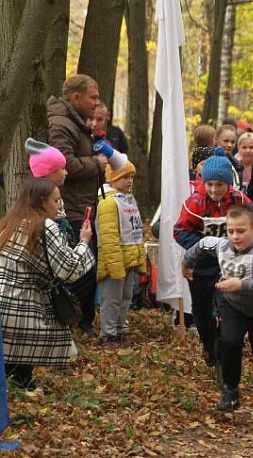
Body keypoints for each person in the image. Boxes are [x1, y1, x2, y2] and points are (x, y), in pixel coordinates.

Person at [181, 205, 253, 415]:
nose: (235, 237)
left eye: (241, 231)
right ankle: (230, 391)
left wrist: (242, 284)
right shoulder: (221, 246)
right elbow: (201, 244)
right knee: (229, 342)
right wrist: (186, 264)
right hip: (232, 305)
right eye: (231, 231)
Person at [174, 150, 253, 372]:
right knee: (201, 314)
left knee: (226, 313)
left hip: (233, 267)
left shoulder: (239, 200)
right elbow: (179, 231)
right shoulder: (195, 202)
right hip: (202, 267)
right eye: (210, 184)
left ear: (228, 183)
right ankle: (208, 344)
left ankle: (222, 355)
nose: (215, 189)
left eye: (220, 184)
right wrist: (206, 247)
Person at [0, 178, 95, 390]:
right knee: (36, 340)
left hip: (3, 302)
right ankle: (20, 384)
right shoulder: (44, 226)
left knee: (10, 354)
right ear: (42, 201)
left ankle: (17, 384)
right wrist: (84, 242)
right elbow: (69, 269)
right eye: (56, 201)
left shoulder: (10, 222)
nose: (60, 206)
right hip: (22, 306)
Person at [47, 74, 104, 336]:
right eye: (93, 97)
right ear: (75, 98)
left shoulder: (75, 123)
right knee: (80, 268)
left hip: (82, 206)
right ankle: (68, 320)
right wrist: (96, 164)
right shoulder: (61, 125)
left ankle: (80, 320)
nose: (97, 103)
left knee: (87, 267)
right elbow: (64, 164)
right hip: (70, 208)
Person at [96, 161, 146, 348]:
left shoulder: (129, 200)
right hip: (114, 261)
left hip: (129, 259)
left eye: (131, 177)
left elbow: (136, 231)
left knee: (125, 297)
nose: (129, 180)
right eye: (125, 177)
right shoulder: (108, 203)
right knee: (111, 299)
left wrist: (139, 259)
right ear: (113, 177)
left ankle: (118, 328)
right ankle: (108, 334)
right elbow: (108, 238)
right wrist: (114, 265)